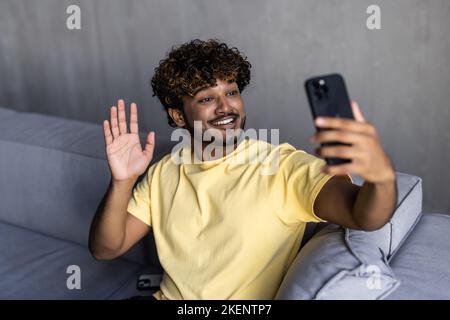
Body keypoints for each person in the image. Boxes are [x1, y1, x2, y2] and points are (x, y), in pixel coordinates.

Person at [88, 39, 397, 300]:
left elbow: (364, 215)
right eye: (207, 97)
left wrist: (380, 176)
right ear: (178, 116)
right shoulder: (164, 171)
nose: (226, 107)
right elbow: (105, 249)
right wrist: (122, 181)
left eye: (232, 92)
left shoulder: (283, 168)